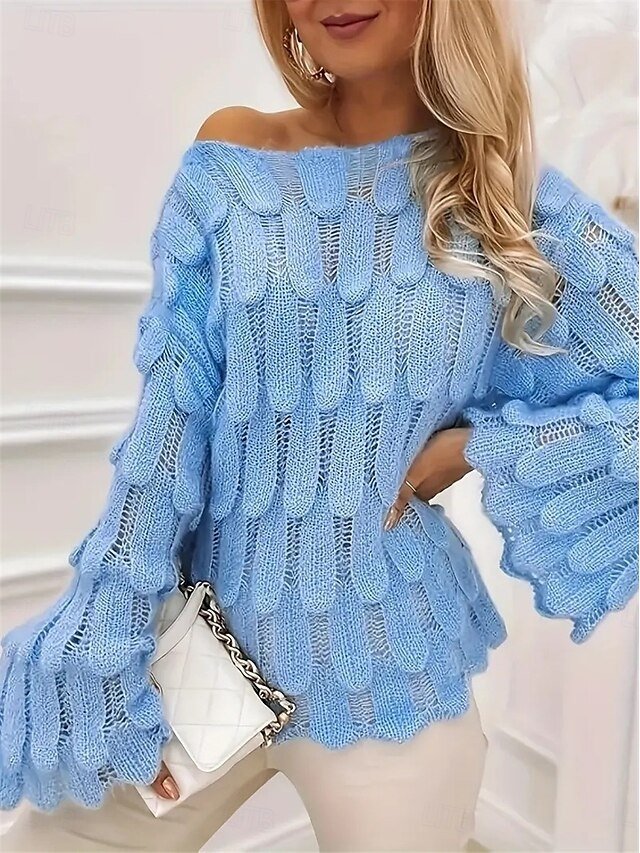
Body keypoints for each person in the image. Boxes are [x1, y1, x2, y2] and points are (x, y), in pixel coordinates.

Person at [1, 1, 638, 851]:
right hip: (202, 659)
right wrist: (106, 618)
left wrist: (481, 446)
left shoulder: (507, 200)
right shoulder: (234, 159)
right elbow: (169, 421)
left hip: (390, 670)